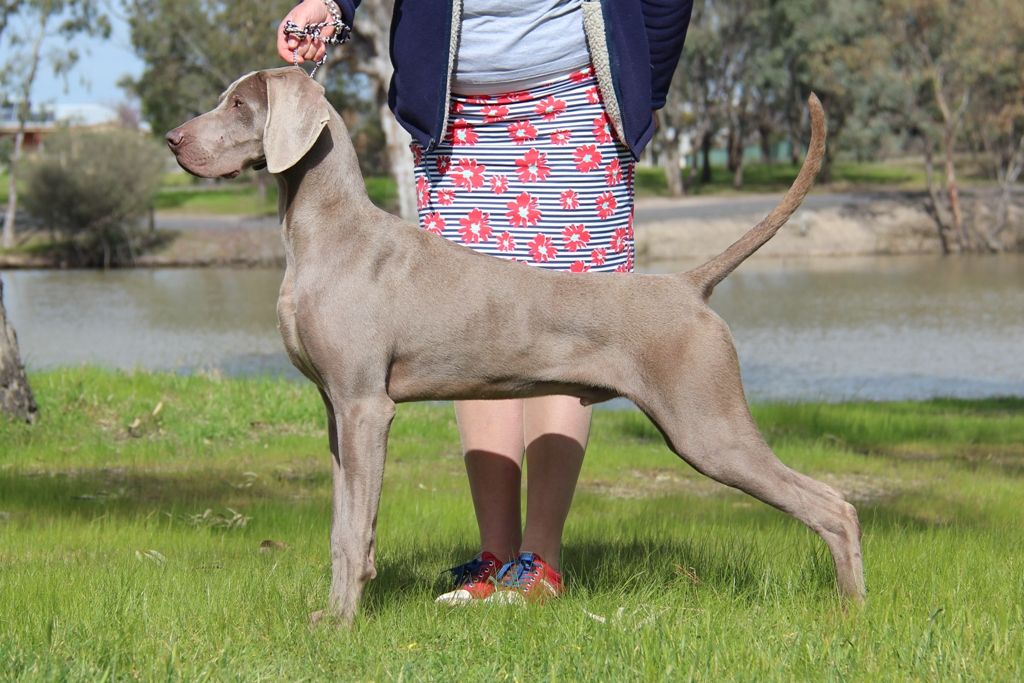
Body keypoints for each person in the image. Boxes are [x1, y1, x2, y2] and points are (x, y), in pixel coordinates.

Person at [278, 0, 693, 605]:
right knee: (468, 331)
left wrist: (643, 86)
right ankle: (494, 558)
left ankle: (540, 565)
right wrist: (332, 3)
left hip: (579, 99)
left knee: (564, 332)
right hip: (456, 114)